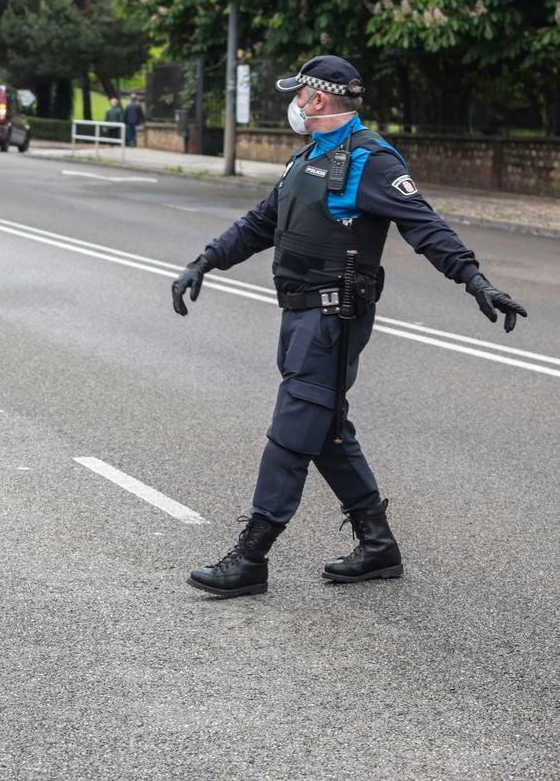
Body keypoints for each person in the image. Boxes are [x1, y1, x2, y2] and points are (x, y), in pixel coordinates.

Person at [170, 55, 527, 599]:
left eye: (297, 95)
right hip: (297, 314)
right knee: (325, 427)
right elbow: (261, 222)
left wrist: (475, 281)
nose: (292, 103)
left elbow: (425, 226)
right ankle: (378, 545)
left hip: (333, 317)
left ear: (316, 101)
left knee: (293, 428)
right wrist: (205, 261)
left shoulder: (371, 161)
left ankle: (251, 556)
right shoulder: (307, 157)